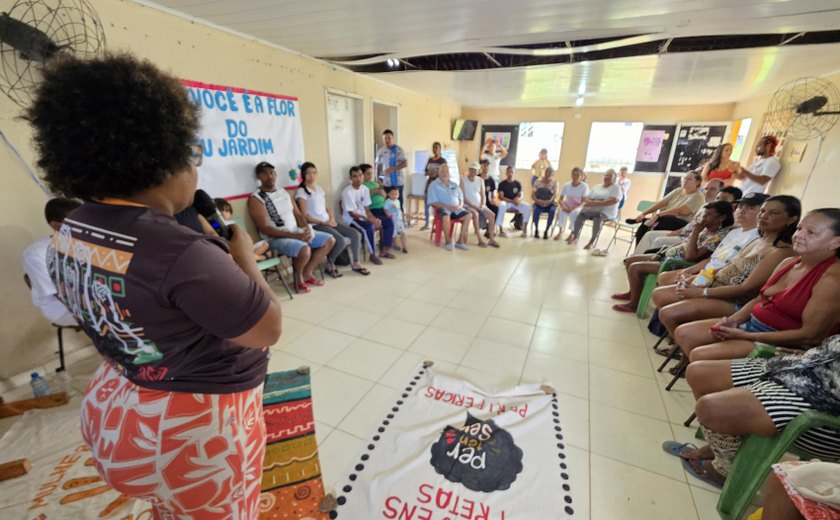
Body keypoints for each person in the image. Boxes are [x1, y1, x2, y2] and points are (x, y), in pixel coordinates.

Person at [28, 54, 282, 518]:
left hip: (117, 411)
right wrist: (244, 257)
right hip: (191, 436)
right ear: (164, 163)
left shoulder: (72, 228)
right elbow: (266, 329)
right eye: (192, 157)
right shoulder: (181, 252)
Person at [663, 334, 840, 489]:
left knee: (711, 408)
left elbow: (811, 332)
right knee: (698, 373)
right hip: (804, 369)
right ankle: (724, 449)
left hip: (824, 404)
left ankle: (724, 470)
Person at [673, 208, 840, 364]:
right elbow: (761, 298)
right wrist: (733, 321)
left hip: (783, 343)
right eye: (799, 229)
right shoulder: (789, 262)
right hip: (752, 324)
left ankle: (712, 377)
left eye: (811, 232)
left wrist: (746, 336)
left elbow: (810, 336)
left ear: (835, 242)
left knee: (701, 357)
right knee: (685, 334)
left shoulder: (831, 280)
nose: (798, 235)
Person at [652, 195, 800, 342]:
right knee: (660, 294)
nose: (764, 216)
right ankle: (680, 340)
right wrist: (697, 279)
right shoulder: (757, 240)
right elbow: (727, 266)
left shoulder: (782, 252)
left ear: (791, 219)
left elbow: (746, 288)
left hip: (734, 301)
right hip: (715, 285)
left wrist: (702, 292)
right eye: (762, 211)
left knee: (668, 313)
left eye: (773, 213)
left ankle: (683, 343)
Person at [611, 201, 734, 313]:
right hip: (667, 256)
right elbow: (683, 243)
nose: (704, 217)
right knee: (631, 261)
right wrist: (659, 253)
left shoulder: (719, 236)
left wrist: (695, 232)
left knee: (635, 267)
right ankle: (632, 293)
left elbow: (691, 257)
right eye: (704, 214)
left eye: (709, 214)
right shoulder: (706, 230)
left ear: (722, 218)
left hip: (676, 263)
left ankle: (634, 304)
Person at [249, 161, 336, 294]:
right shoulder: (256, 199)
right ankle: (298, 280)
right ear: (258, 177)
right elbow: (264, 228)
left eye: (272, 172)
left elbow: (298, 214)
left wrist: (306, 229)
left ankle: (307, 273)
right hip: (275, 238)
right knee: (304, 249)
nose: (270, 176)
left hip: (295, 232)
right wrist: (295, 236)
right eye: (265, 174)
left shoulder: (283, 192)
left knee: (329, 240)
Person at [296, 162, 370, 276]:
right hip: (316, 224)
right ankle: (330, 264)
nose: (312, 176)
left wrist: (331, 218)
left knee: (355, 234)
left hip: (327, 221)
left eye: (314, 173)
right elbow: (305, 216)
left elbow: (327, 208)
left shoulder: (319, 189)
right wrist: (323, 222)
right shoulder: (301, 192)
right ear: (303, 175)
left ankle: (356, 263)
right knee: (340, 240)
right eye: (308, 173)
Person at [22, 197, 81, 327]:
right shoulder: (36, 254)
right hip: (63, 309)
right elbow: (58, 294)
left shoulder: (82, 244)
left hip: (90, 302)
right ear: (56, 225)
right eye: (78, 222)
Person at [632, 179, 727, 254]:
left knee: (659, 239)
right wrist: (677, 232)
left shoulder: (714, 210)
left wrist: (684, 233)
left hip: (689, 237)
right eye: (706, 188)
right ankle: (635, 259)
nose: (707, 191)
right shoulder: (704, 205)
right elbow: (692, 223)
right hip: (682, 231)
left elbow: (683, 212)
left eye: (712, 189)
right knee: (649, 234)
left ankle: (644, 265)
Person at [630, 171, 706, 245]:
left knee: (663, 220)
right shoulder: (678, 190)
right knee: (644, 226)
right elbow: (661, 203)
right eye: (685, 178)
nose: (685, 181)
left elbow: (681, 210)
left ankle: (649, 247)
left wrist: (658, 215)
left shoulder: (698, 197)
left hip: (681, 224)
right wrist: (643, 214)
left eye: (689, 179)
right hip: (667, 220)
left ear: (697, 182)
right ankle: (638, 251)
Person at [568, 169, 623, 249]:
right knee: (580, 214)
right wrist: (589, 201)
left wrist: (596, 203)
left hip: (606, 212)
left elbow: (613, 201)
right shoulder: (597, 186)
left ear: (614, 179)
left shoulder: (616, 188)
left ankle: (591, 242)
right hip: (591, 209)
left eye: (609, 176)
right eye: (606, 175)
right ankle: (575, 237)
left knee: (598, 217)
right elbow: (586, 197)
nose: (607, 177)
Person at [341, 166, 384, 265]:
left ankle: (383, 251)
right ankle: (372, 255)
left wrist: (374, 219)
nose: (358, 178)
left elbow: (366, 209)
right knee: (369, 227)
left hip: (362, 217)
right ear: (350, 178)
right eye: (355, 176)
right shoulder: (347, 192)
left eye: (360, 175)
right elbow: (352, 214)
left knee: (379, 222)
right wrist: (369, 220)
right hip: (351, 219)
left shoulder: (365, 189)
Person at [428, 163, 472, 251]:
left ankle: (460, 241)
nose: (445, 173)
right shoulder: (434, 185)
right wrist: (448, 207)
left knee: (468, 215)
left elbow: (461, 198)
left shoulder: (454, 185)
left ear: (449, 173)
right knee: (446, 217)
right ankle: (448, 241)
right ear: (439, 173)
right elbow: (433, 202)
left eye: (446, 171)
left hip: (456, 209)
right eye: (443, 171)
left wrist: (460, 205)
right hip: (442, 208)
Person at [361, 163, 397, 257]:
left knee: (394, 218)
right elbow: (364, 196)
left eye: (371, 173)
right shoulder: (362, 185)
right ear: (362, 174)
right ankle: (384, 250)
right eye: (368, 173)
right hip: (373, 210)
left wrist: (380, 191)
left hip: (383, 208)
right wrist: (375, 191)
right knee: (388, 222)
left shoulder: (374, 183)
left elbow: (385, 196)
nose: (370, 175)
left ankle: (388, 245)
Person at [461, 161, 498, 247]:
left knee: (492, 215)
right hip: (467, 206)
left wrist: (482, 204)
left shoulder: (480, 180)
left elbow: (483, 195)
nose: (473, 171)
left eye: (475, 170)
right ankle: (479, 239)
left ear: (478, 171)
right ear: (469, 170)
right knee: (475, 214)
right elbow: (462, 197)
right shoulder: (463, 180)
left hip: (479, 206)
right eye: (471, 169)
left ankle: (491, 239)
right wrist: (472, 206)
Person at [553, 167, 589, 241]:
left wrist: (573, 208)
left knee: (574, 213)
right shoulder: (566, 185)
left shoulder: (584, 186)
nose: (575, 177)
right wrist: (563, 206)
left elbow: (583, 202)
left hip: (578, 206)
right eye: (573, 174)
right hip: (567, 205)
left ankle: (572, 233)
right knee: (561, 212)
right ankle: (560, 231)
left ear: (581, 176)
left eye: (577, 175)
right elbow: (560, 199)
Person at [375, 129, 407, 210]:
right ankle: (388, 218)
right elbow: (379, 166)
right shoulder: (381, 151)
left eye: (389, 138)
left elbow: (405, 163)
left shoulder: (399, 150)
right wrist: (379, 178)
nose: (387, 140)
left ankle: (400, 217)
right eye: (385, 138)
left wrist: (393, 168)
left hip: (398, 182)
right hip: (386, 182)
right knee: (387, 204)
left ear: (393, 138)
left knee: (398, 203)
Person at [497, 165, 531, 237]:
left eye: (512, 172)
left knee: (527, 207)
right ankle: (501, 230)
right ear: (506, 173)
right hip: (507, 202)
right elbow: (501, 197)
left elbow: (521, 195)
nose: (510, 173)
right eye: (508, 172)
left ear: (514, 172)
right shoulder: (502, 184)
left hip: (516, 203)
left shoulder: (517, 183)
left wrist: (518, 200)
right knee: (501, 205)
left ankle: (524, 230)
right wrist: (512, 201)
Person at [422, 141, 447, 230]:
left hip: (438, 185)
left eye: (436, 147)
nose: (435, 149)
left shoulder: (442, 161)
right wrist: (430, 173)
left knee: (437, 206)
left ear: (440, 149)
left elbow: (445, 173)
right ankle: (426, 224)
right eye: (433, 147)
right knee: (426, 204)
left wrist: (437, 174)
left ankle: (437, 224)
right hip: (429, 184)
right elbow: (425, 172)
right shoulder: (430, 160)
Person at [531, 166, 558, 239]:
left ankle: (546, 230)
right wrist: (538, 201)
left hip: (550, 203)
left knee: (552, 211)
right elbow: (532, 194)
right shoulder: (537, 181)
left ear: (553, 174)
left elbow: (555, 195)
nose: (548, 174)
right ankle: (536, 229)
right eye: (546, 172)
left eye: (550, 172)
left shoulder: (555, 182)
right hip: (539, 202)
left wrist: (549, 202)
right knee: (536, 210)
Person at [479, 158, 503, 236]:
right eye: (484, 165)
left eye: (487, 166)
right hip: (478, 202)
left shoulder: (491, 180)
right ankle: (485, 227)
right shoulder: (477, 178)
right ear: (481, 166)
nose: (486, 167)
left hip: (487, 202)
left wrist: (493, 201)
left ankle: (490, 229)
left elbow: (493, 195)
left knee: (496, 208)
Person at [384, 187, 408, 253]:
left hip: (399, 220)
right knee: (393, 234)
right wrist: (389, 215)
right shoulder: (387, 201)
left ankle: (405, 247)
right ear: (388, 194)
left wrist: (404, 216)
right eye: (393, 194)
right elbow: (385, 210)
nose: (395, 196)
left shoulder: (398, 201)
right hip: (393, 220)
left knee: (403, 233)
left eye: (397, 194)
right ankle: (395, 244)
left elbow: (399, 210)